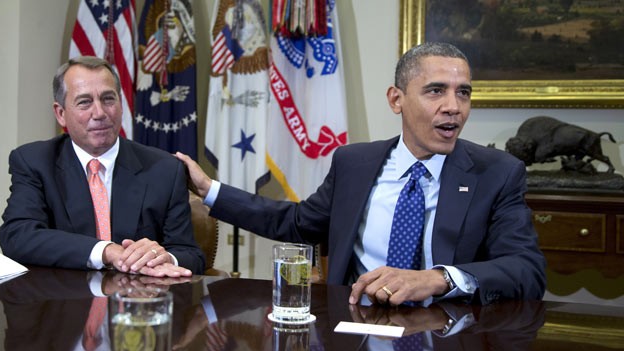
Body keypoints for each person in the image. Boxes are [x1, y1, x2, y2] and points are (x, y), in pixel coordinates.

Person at [176, 42, 546, 305]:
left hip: (447, 334)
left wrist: (437, 279)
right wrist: (210, 190)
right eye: (436, 91)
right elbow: (296, 222)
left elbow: (526, 270)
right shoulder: (355, 163)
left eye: (463, 93)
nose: (454, 107)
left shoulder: (497, 173)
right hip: (353, 325)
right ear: (396, 99)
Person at [0, 56, 204, 277]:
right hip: (64, 303)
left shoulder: (164, 169)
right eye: (84, 102)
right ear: (61, 114)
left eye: (108, 99)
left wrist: (162, 257)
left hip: (136, 304)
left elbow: (190, 255)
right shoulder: (34, 162)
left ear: (121, 104)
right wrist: (106, 250)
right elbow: (18, 236)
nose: (99, 113)